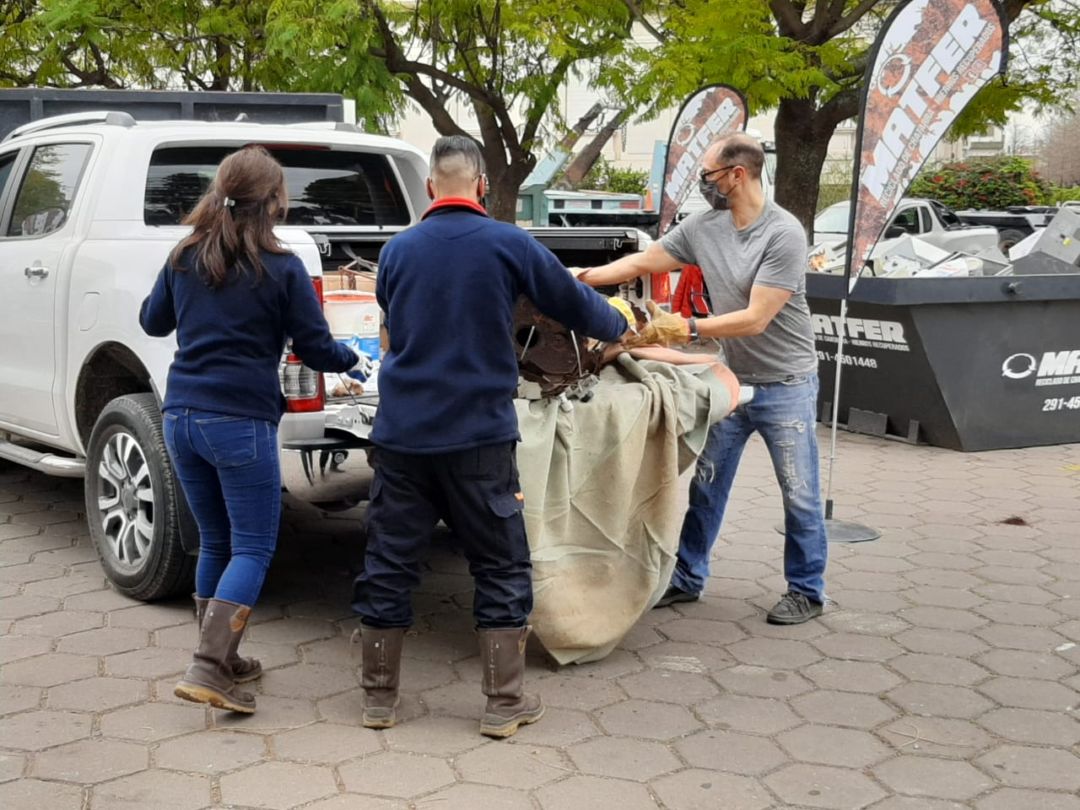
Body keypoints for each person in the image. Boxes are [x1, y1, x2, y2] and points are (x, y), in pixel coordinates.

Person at [352, 135, 629, 737]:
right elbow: (573, 302)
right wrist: (618, 324)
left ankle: (379, 699)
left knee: (389, 561)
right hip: (479, 436)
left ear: (431, 187)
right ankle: (503, 705)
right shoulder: (511, 243)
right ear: (481, 185)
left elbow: (392, 324)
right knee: (500, 563)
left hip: (403, 437)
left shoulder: (398, 252)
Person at [140, 146, 370, 713]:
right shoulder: (283, 266)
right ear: (275, 200)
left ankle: (222, 656)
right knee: (252, 546)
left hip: (180, 417)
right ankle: (208, 668)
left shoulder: (185, 254)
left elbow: (152, 321)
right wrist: (352, 359)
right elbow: (315, 346)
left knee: (216, 540)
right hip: (238, 422)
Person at [577, 133, 827, 625]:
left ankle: (807, 590)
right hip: (732, 378)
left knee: (799, 491)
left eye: (710, 175)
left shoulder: (783, 234)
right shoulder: (704, 226)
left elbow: (756, 318)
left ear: (738, 174)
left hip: (788, 383)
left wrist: (685, 327)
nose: (704, 184)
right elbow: (647, 260)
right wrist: (585, 278)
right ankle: (688, 578)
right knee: (708, 485)